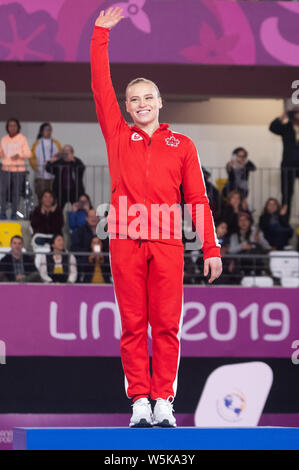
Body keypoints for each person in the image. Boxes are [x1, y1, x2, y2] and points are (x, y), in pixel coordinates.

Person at [90, 7, 222, 428]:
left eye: (149, 97)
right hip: (125, 240)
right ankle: (139, 403)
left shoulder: (181, 145)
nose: (142, 103)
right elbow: (100, 86)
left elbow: (198, 198)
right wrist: (100, 35)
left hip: (167, 243)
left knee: (166, 326)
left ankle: (164, 399)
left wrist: (210, 247)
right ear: (126, 107)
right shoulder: (117, 135)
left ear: (160, 102)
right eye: (134, 99)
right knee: (133, 326)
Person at [269, 108, 299, 219]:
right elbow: (273, 127)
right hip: (288, 164)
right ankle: (284, 220)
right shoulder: (287, 127)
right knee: (286, 194)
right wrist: (284, 115)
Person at [0, 118, 31, 219]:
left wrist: (19, 155)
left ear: (18, 127)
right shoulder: (4, 139)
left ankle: (14, 213)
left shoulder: (22, 138)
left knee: (16, 192)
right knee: (2, 191)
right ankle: (3, 212)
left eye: (14, 125)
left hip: (18, 169)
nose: (12, 127)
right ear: (7, 127)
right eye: (10, 125)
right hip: (5, 168)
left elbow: (28, 153)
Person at [45, 144, 85, 208]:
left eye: (68, 150)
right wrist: (51, 161)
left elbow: (82, 169)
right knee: (58, 208)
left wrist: (74, 161)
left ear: (72, 152)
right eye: (64, 150)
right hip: (60, 191)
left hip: (74, 191)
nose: (66, 152)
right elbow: (48, 169)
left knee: (76, 208)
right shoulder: (59, 162)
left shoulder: (76, 161)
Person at [29, 122, 62, 201]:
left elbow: (60, 156)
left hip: (53, 176)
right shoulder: (37, 143)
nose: (48, 132)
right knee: (41, 196)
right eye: (46, 130)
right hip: (41, 175)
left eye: (50, 130)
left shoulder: (56, 143)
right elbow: (32, 158)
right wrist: (37, 168)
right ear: (41, 131)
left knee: (53, 196)